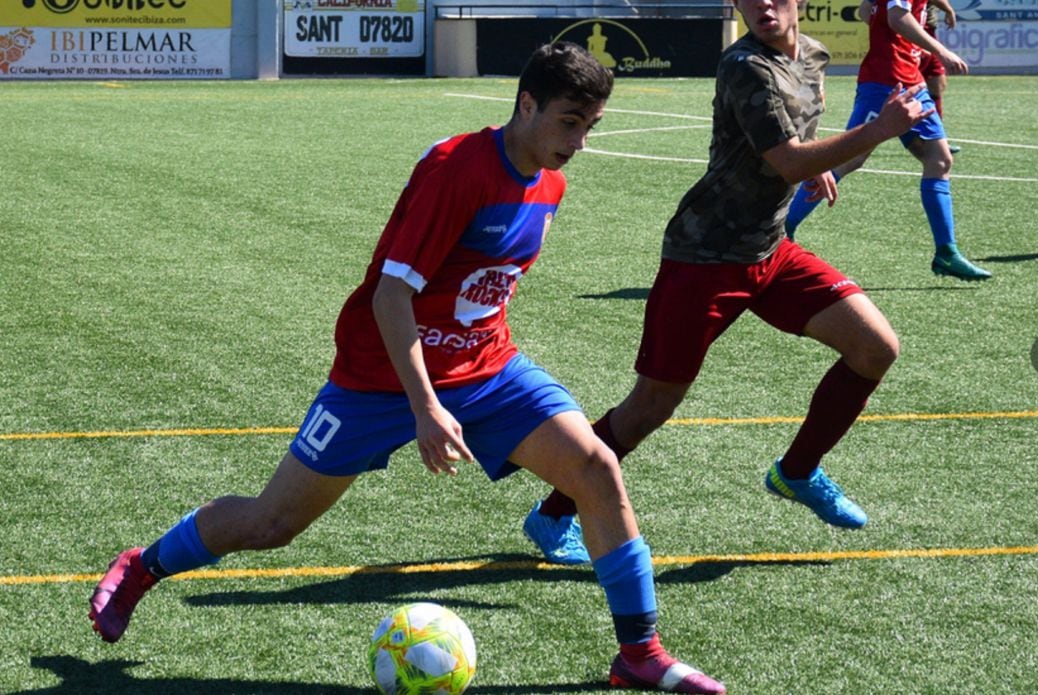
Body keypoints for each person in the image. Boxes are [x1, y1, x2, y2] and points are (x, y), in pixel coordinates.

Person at [87, 42, 726, 694]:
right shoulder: (457, 168)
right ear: (527, 103)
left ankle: (639, 652)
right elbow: (394, 295)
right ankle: (143, 566)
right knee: (270, 523)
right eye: (569, 121)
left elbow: (482, 287)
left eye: (591, 126)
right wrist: (425, 406)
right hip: (379, 375)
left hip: (486, 368)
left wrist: (467, 372)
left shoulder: (552, 182)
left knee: (596, 466)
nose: (580, 142)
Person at [523, 0, 934, 566]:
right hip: (706, 255)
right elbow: (786, 158)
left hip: (770, 249)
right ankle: (551, 515)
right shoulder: (745, 65)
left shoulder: (813, 57)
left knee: (874, 347)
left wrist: (818, 165)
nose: (762, 4)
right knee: (650, 406)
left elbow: (793, 147)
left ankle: (797, 471)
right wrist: (876, 131)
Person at [783, 0, 991, 281]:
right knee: (847, 158)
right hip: (886, 80)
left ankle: (946, 252)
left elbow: (865, 10)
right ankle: (782, 229)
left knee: (939, 160)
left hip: (911, 79)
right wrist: (940, 50)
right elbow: (895, 17)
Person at [921, 0, 962, 154]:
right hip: (916, 31)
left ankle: (937, 139)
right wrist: (949, 9)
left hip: (927, 31)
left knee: (936, 83)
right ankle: (862, 135)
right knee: (893, 87)